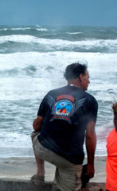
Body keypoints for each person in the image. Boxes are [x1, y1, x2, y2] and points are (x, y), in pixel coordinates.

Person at [31, 63, 98, 191]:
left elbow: (36, 125)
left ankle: (40, 173)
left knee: (35, 133)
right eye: (88, 77)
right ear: (81, 77)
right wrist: (90, 165)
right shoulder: (90, 100)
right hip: (69, 159)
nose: (89, 81)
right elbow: (90, 135)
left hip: (43, 149)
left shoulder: (51, 94)